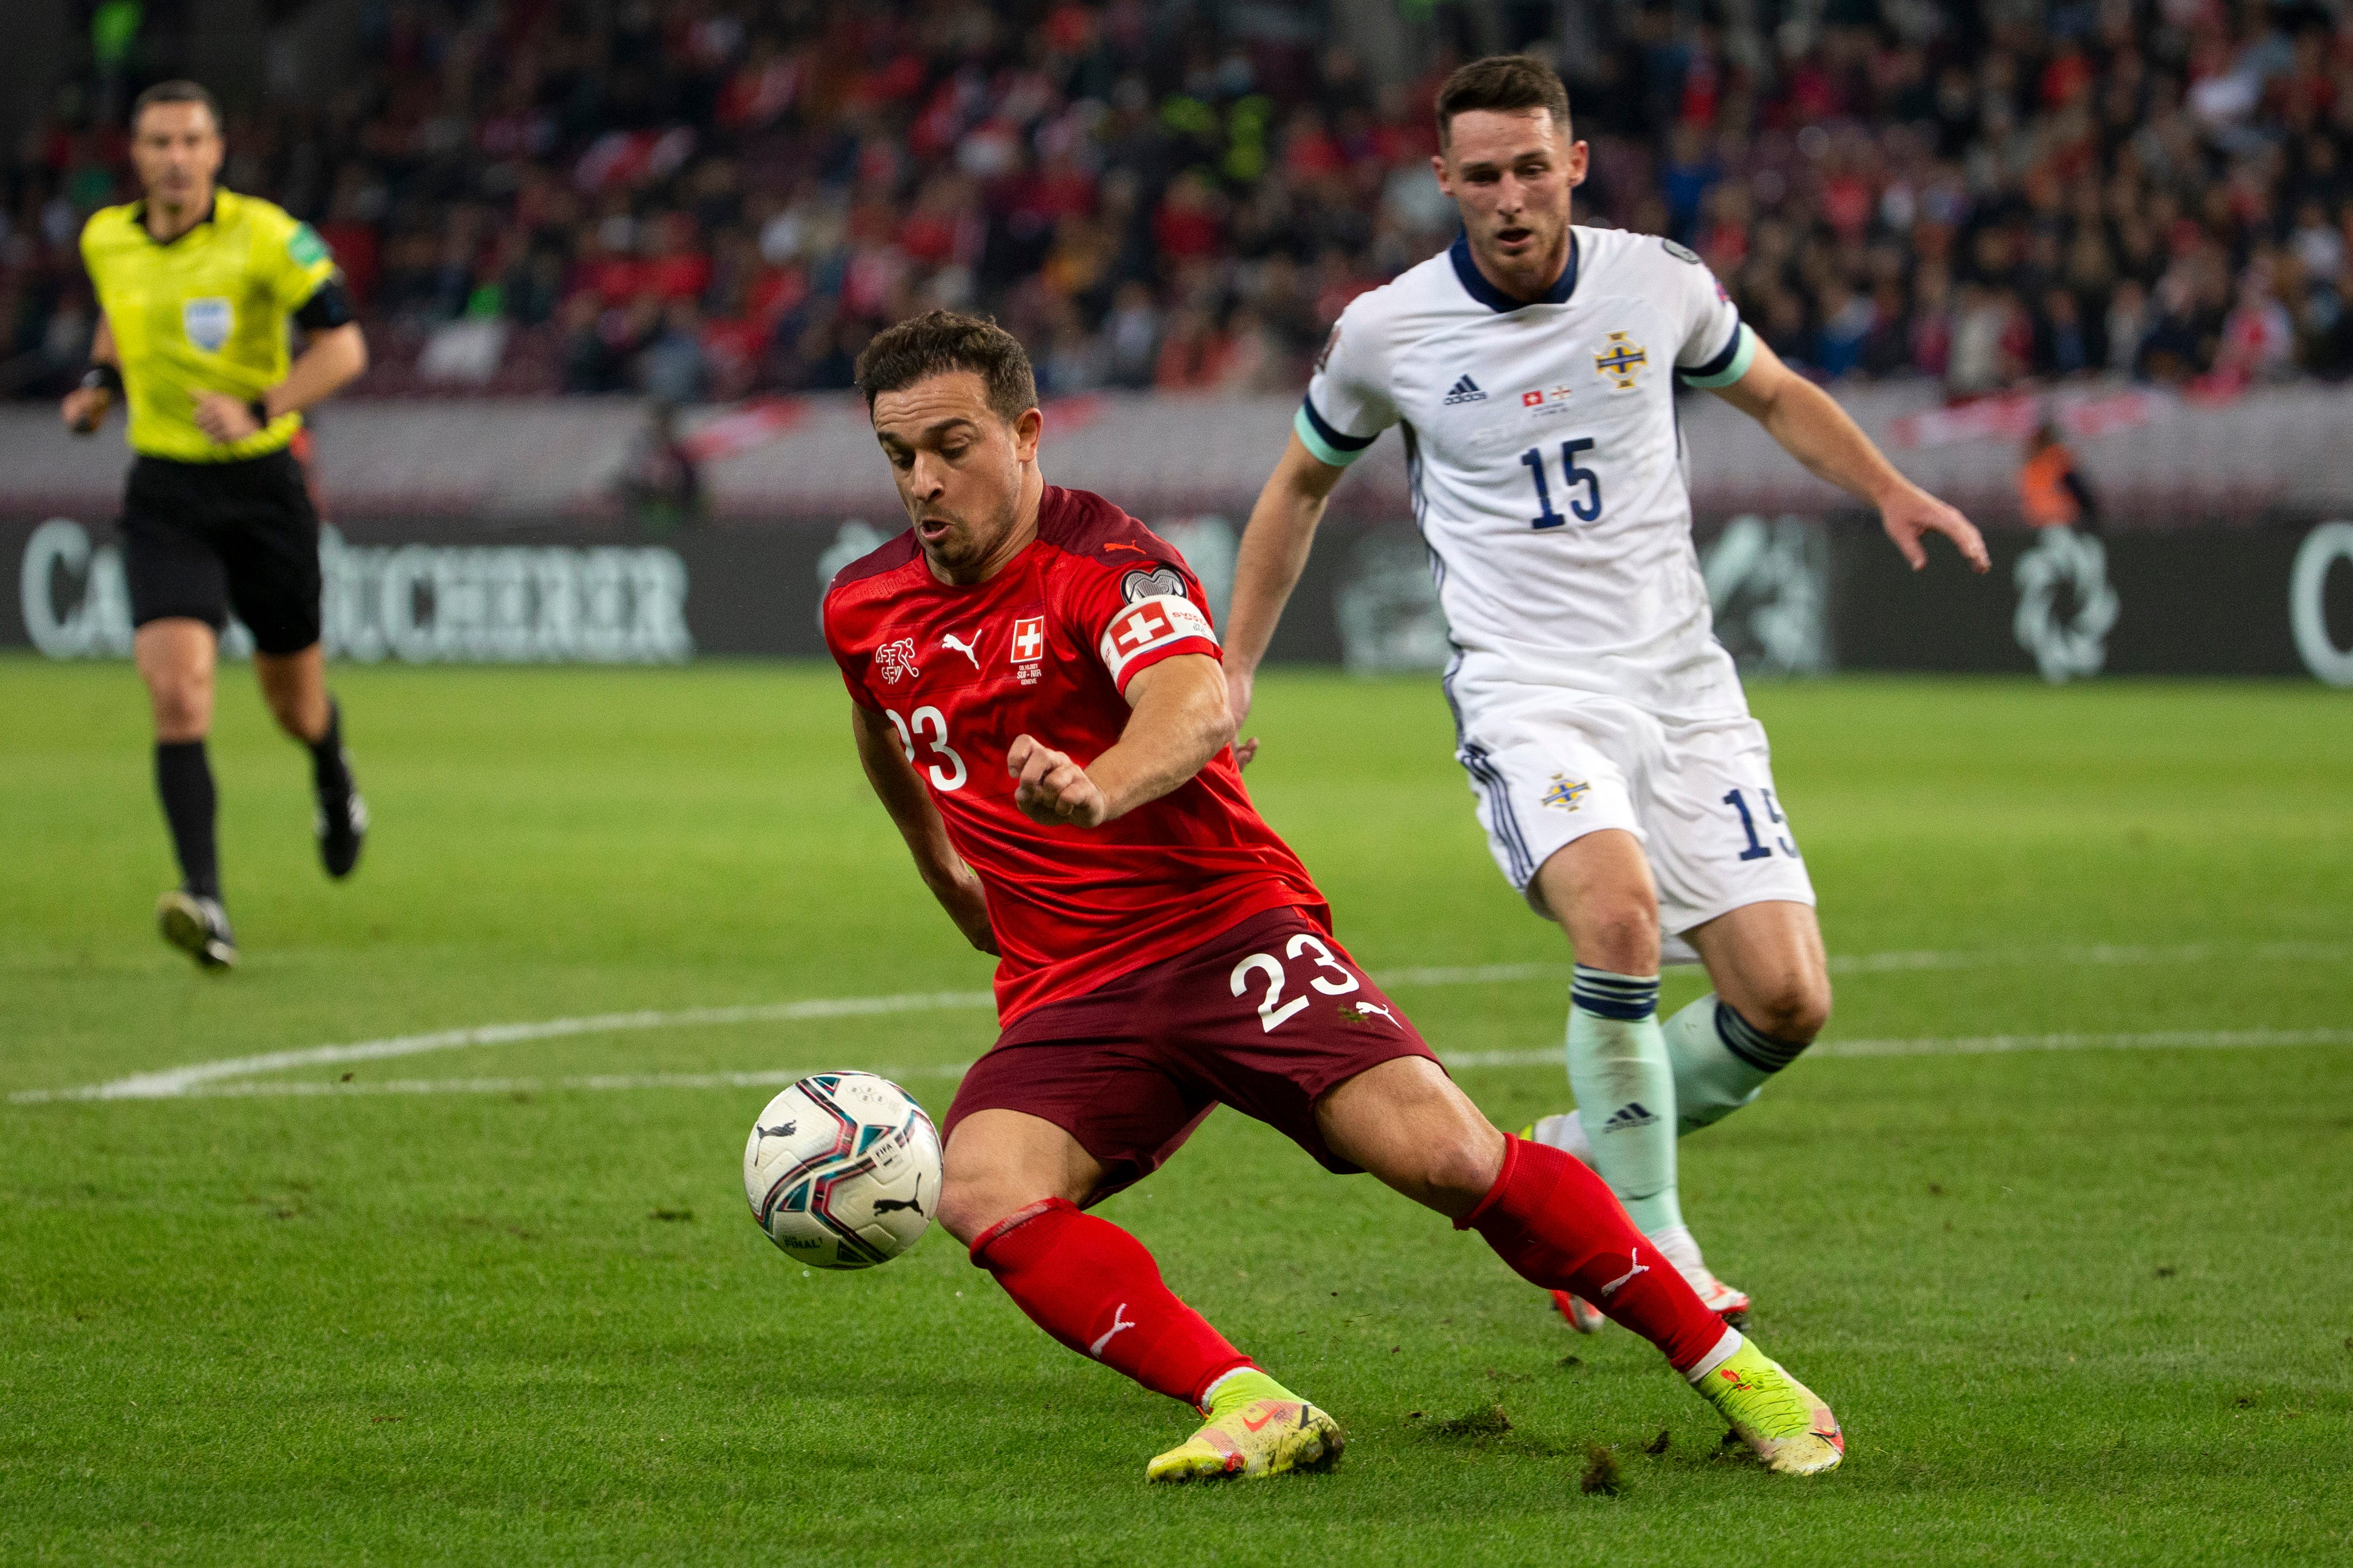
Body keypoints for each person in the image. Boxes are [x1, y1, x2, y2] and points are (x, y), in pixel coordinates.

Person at [820, 309, 1846, 1482]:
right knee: (979, 1189)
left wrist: (1096, 792)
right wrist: (943, 867)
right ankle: (1248, 1402)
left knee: (1446, 1158)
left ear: (1026, 433)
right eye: (898, 457)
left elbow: (1196, 701)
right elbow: (881, 727)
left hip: (1223, 933)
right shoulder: (863, 604)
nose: (923, 481)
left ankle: (1733, 1369)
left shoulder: (1107, 564)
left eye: (951, 445)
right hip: (1068, 986)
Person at [1221, 57, 1990, 1334]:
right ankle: (1650, 1241)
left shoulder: (1658, 282)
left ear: (1572, 162)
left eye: (1532, 168)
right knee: (1618, 921)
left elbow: (1774, 392)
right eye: (1482, 177)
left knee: (1785, 1002)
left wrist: (1886, 487)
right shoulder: (1387, 333)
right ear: (1443, 185)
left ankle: (1580, 1145)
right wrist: (1236, 660)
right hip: (1528, 692)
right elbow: (1295, 489)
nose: (1510, 198)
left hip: (1682, 689)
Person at [61, 81, 371, 969]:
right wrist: (99, 387)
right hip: (166, 492)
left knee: (294, 703)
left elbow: (345, 348)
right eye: (159, 141)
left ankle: (330, 767)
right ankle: (206, 899)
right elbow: (122, 319)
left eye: (191, 140)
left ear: (217, 149)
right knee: (179, 691)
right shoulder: (105, 239)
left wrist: (262, 403)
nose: (176, 157)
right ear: (135, 151)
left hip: (264, 489)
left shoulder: (268, 237)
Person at [2019, 421, 2099, 536]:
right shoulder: (2058, 457)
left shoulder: (2030, 465)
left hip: (2036, 520)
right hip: (2063, 518)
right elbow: (2077, 487)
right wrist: (2092, 513)